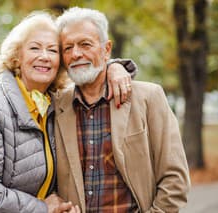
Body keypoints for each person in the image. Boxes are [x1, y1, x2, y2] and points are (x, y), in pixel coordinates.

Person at [0, 11, 136, 213]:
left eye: (53, 50)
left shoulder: (54, 103)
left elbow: (89, 65)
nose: (44, 57)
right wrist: (41, 208)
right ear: (17, 55)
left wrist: (114, 67)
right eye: (34, 48)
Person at [54, 7, 191, 213]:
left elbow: (175, 178)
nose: (76, 54)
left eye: (85, 44)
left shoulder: (148, 98)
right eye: (67, 48)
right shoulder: (55, 106)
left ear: (106, 49)